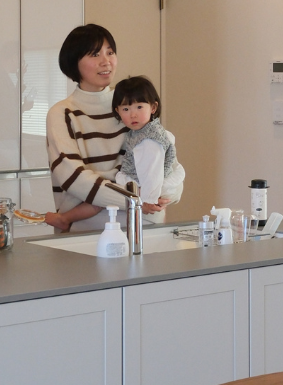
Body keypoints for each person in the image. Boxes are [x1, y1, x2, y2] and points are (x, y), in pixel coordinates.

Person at [45, 23, 184, 232]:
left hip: (144, 225)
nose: (106, 61)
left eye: (110, 52)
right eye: (95, 54)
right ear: (74, 63)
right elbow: (75, 179)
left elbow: (166, 162)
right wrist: (136, 200)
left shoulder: (130, 104)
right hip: (88, 231)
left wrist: (166, 194)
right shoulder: (63, 113)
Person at [110, 75, 181, 211]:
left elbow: (152, 173)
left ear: (153, 108)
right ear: (117, 111)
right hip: (146, 184)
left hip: (150, 189)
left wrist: (148, 200)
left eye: (139, 107)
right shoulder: (140, 132)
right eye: (126, 109)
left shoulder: (149, 139)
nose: (133, 115)